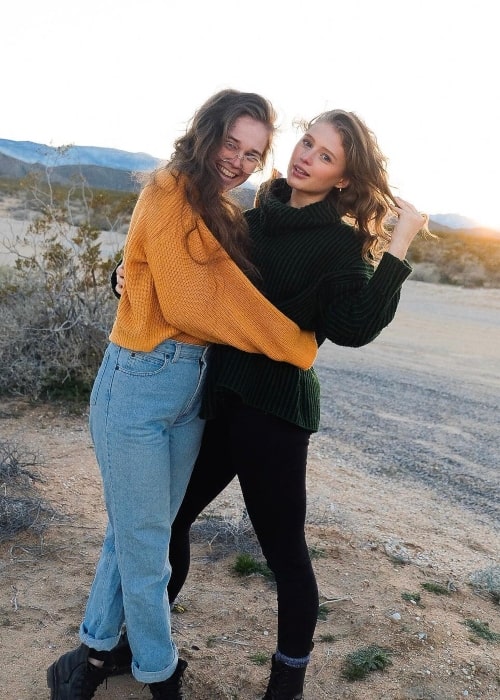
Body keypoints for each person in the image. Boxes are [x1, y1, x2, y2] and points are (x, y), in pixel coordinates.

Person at [112, 108, 429, 699]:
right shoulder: (251, 218)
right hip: (219, 397)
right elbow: (192, 281)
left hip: (274, 417)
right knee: (171, 522)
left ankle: (287, 680)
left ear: (342, 179)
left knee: (283, 550)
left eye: (326, 155)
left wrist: (398, 242)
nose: (306, 155)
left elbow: (354, 327)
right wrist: (127, 278)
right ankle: (140, 644)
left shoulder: (338, 243)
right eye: (307, 142)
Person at [46, 89, 318, 700]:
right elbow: (197, 301)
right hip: (139, 385)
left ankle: (90, 655)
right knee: (148, 550)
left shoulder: (219, 209)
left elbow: (189, 281)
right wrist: (292, 342)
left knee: (135, 531)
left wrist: (129, 275)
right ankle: (161, 675)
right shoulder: (169, 189)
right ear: (207, 133)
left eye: (253, 154)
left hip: (191, 389)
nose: (239, 161)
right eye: (231, 143)